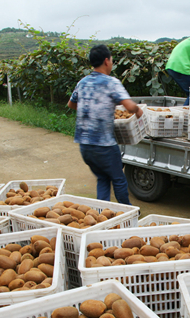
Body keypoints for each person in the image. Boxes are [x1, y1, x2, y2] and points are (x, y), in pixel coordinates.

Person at [67, 44, 142, 205]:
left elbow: (71, 104)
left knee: (103, 178)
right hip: (104, 145)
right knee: (119, 180)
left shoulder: (83, 82)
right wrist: (138, 111)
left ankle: (101, 212)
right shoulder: (111, 82)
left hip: (84, 145)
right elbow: (129, 106)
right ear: (107, 61)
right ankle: (127, 213)